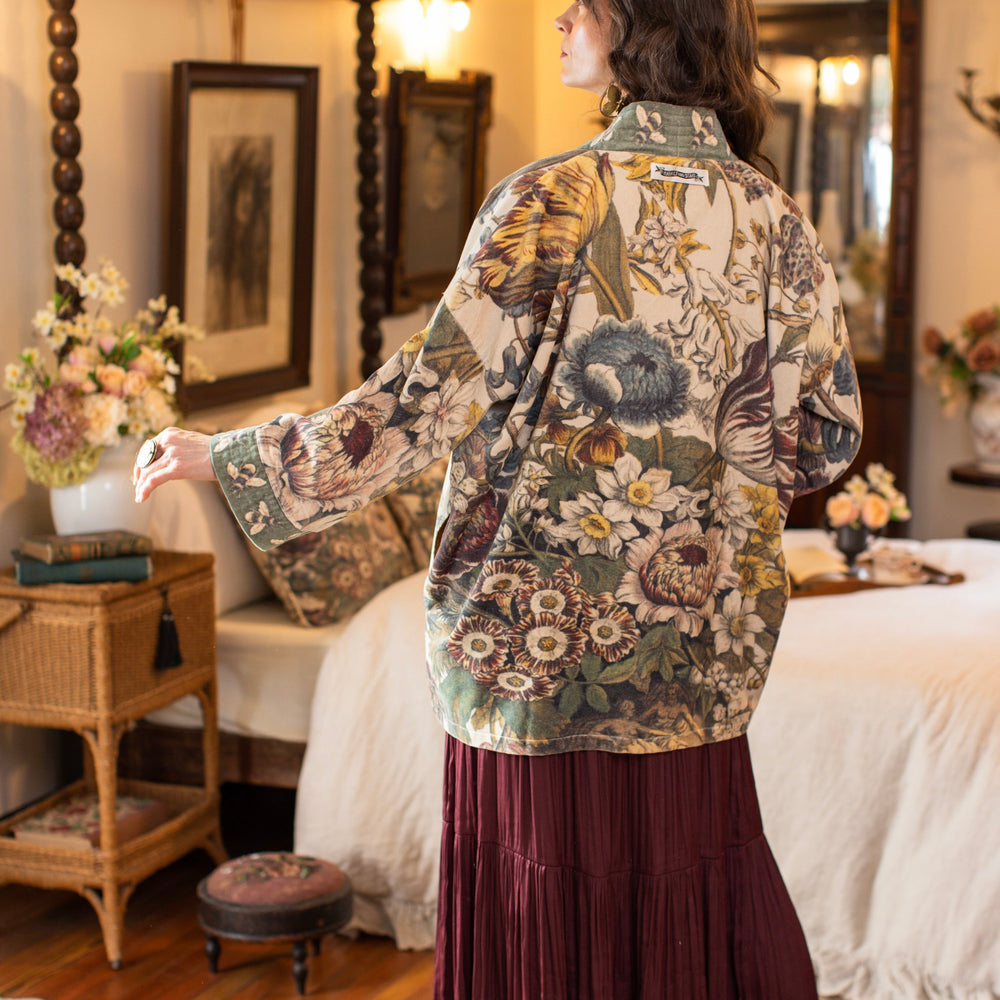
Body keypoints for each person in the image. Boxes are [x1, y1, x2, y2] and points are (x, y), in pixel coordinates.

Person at [135, 0, 862, 996]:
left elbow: (419, 409)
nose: (560, 20)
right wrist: (696, 456)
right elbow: (825, 438)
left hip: (534, 653)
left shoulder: (547, 200)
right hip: (697, 658)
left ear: (638, 20)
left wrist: (227, 455)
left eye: (580, 3)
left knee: (542, 943)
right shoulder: (774, 218)